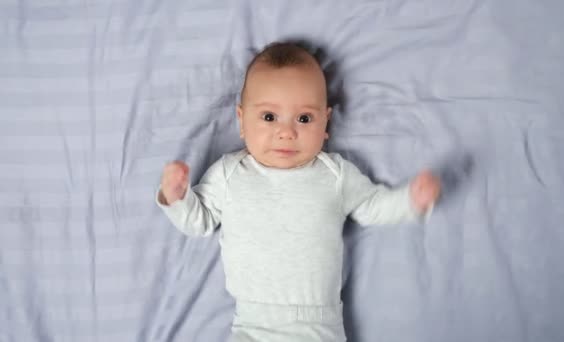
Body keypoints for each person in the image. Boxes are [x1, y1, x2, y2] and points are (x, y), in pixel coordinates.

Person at [156, 42, 441, 342]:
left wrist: (410, 200)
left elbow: (372, 205)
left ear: (326, 122)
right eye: (269, 117)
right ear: (241, 120)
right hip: (252, 325)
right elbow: (198, 221)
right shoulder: (229, 174)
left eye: (304, 119)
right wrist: (176, 196)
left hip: (319, 326)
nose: (286, 132)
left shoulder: (335, 175)